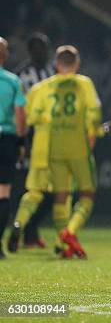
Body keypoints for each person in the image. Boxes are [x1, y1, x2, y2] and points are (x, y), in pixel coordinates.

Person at [8, 45, 104, 258]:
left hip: (50, 149)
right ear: (77, 64)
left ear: (55, 64)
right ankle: (68, 234)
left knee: (56, 194)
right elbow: (94, 114)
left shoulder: (41, 88)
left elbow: (28, 117)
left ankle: (29, 228)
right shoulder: (83, 83)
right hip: (78, 146)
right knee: (86, 194)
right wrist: (95, 134)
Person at [14, 32, 54, 249]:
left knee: (50, 191)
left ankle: (29, 229)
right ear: (30, 51)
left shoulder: (53, 71)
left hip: (50, 138)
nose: (44, 52)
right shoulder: (22, 74)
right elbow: (18, 110)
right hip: (28, 137)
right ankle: (24, 230)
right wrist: (23, 141)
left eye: (46, 48)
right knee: (26, 188)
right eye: (39, 48)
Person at [0, 37, 27, 259]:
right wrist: (20, 142)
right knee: (4, 192)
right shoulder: (12, 81)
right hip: (5, 139)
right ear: (5, 55)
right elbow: (20, 115)